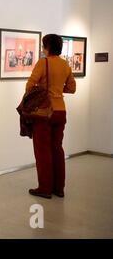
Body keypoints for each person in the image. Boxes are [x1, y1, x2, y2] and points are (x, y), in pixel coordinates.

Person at [25, 34, 76, 199]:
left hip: (44, 112)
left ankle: (45, 188)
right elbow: (72, 87)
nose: (42, 49)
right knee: (57, 149)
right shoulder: (64, 64)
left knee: (42, 151)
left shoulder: (43, 62)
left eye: (43, 45)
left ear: (47, 47)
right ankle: (59, 188)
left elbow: (30, 85)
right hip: (60, 110)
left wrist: (40, 93)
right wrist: (57, 91)